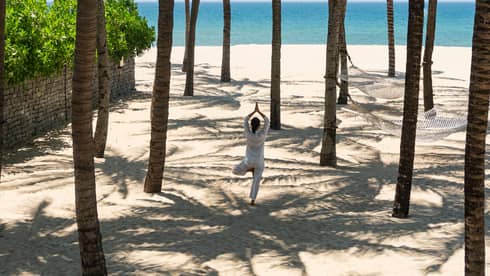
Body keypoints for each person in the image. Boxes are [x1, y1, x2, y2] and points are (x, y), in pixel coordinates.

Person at [232, 102, 270, 206]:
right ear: (259, 126)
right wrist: (259, 111)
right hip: (259, 162)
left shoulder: (248, 134)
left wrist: (253, 112)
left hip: (248, 160)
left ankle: (248, 170)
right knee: (256, 181)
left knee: (234, 170)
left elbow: (245, 120)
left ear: (251, 125)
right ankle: (253, 200)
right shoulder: (262, 135)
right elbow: (267, 121)